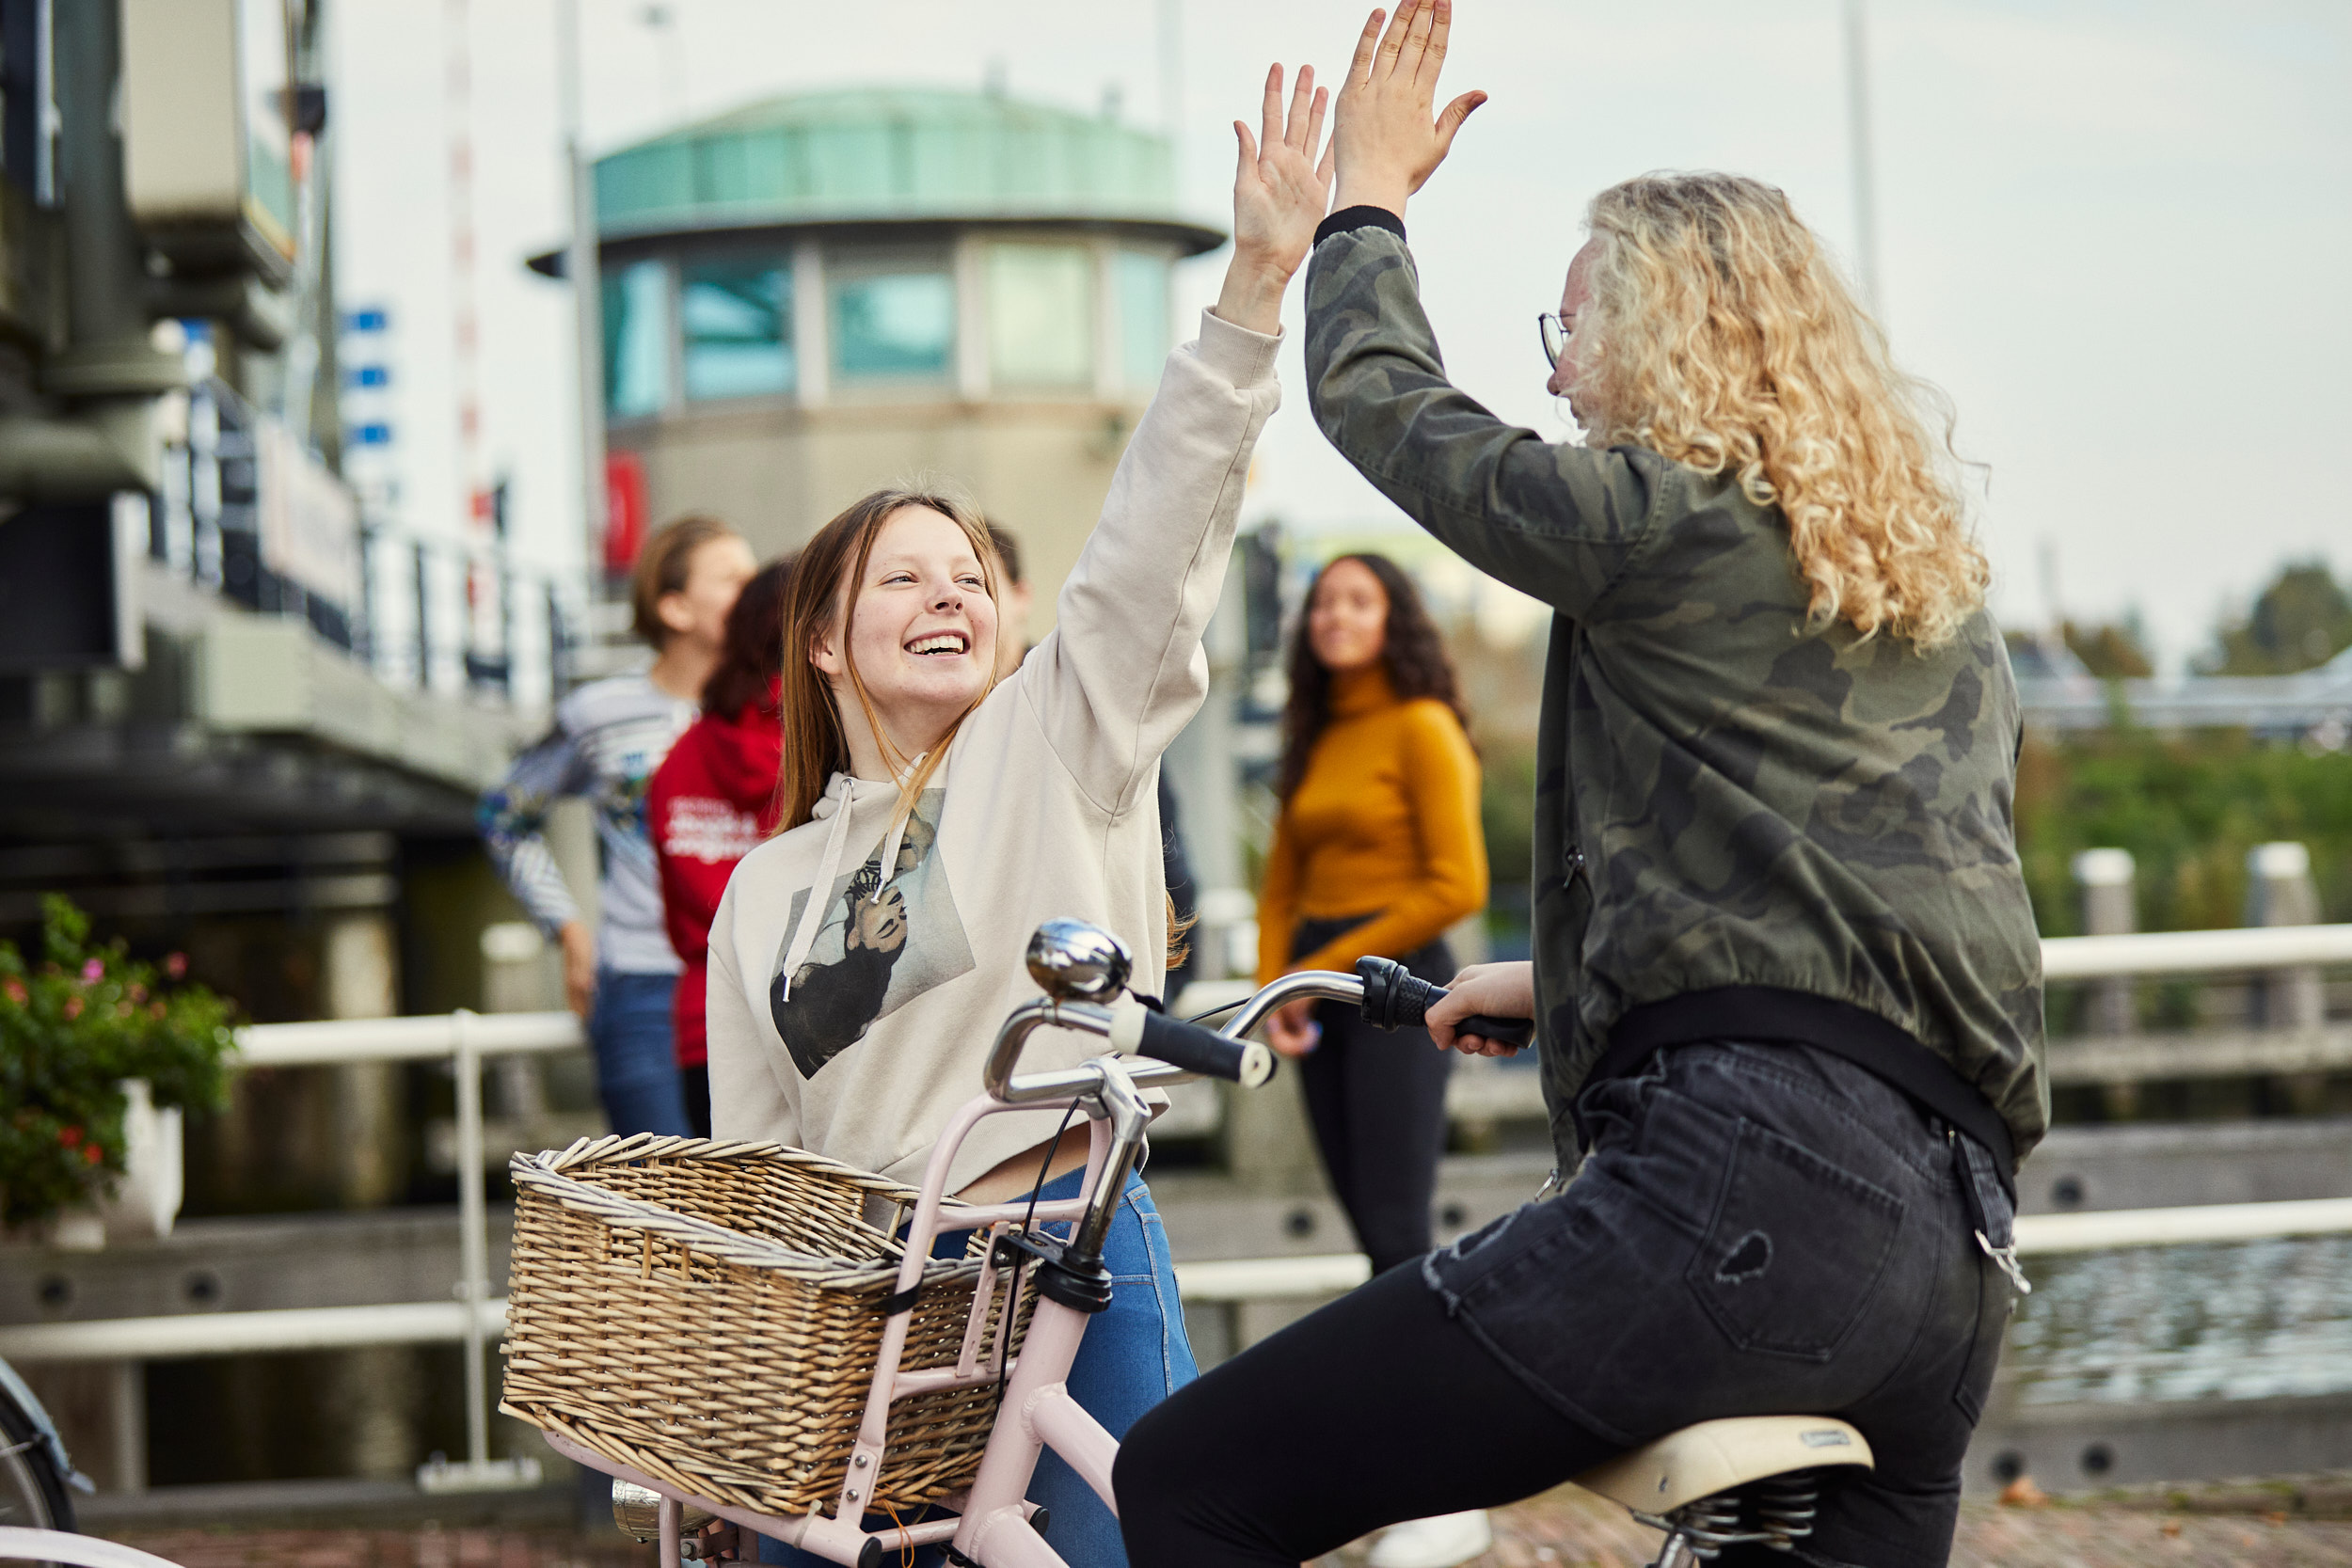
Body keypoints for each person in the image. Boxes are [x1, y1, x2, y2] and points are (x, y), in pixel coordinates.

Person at [1114, 7, 2046, 1568]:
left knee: (1190, 1479)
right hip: (1949, 1263)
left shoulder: (1656, 516)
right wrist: (1562, 980)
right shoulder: (1930, 601)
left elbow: (1390, 409)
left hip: (1746, 1191)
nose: (1558, 382)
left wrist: (1367, 204)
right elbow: (1837, 905)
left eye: (1569, 334)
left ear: (1670, 336)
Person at [704, 63, 1330, 1568]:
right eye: (905, 578)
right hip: (861, 1292)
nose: (953, 595)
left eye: (974, 575)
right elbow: (752, 1155)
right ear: (824, 639)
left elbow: (1153, 538)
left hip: (1067, 1245)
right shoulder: (765, 884)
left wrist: (1254, 286)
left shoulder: (1056, 738)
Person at [1255, 551, 1489, 1568]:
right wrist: (1279, 987)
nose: (1333, 615)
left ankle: (1455, 1489)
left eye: (1357, 599)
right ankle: (1402, 1477)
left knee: (1399, 1233)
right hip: (1324, 994)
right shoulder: (1314, 734)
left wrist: (1323, 967)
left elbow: (1458, 881)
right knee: (1368, 1240)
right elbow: (1279, 880)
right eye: (1322, 600)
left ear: (1393, 617)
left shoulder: (1423, 724)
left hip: (1399, 990)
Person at [480, 516, 755, 1138]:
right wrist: (571, 932)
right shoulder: (598, 713)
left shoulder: (782, 710)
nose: (757, 588)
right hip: (643, 989)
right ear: (676, 607)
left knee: (755, 1212)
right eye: (733, 578)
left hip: (763, 984)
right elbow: (502, 816)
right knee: (661, 1208)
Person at [990, 520, 1203, 1001]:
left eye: (977, 583)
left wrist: (1162, 993)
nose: (955, 605)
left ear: (1022, 595)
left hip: (1097, 993)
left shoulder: (1079, 699)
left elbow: (1164, 851)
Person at [647, 557, 793, 1137]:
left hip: (704, 1023)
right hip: (807, 1019)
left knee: (726, 1226)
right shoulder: (826, 749)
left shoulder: (680, 758)